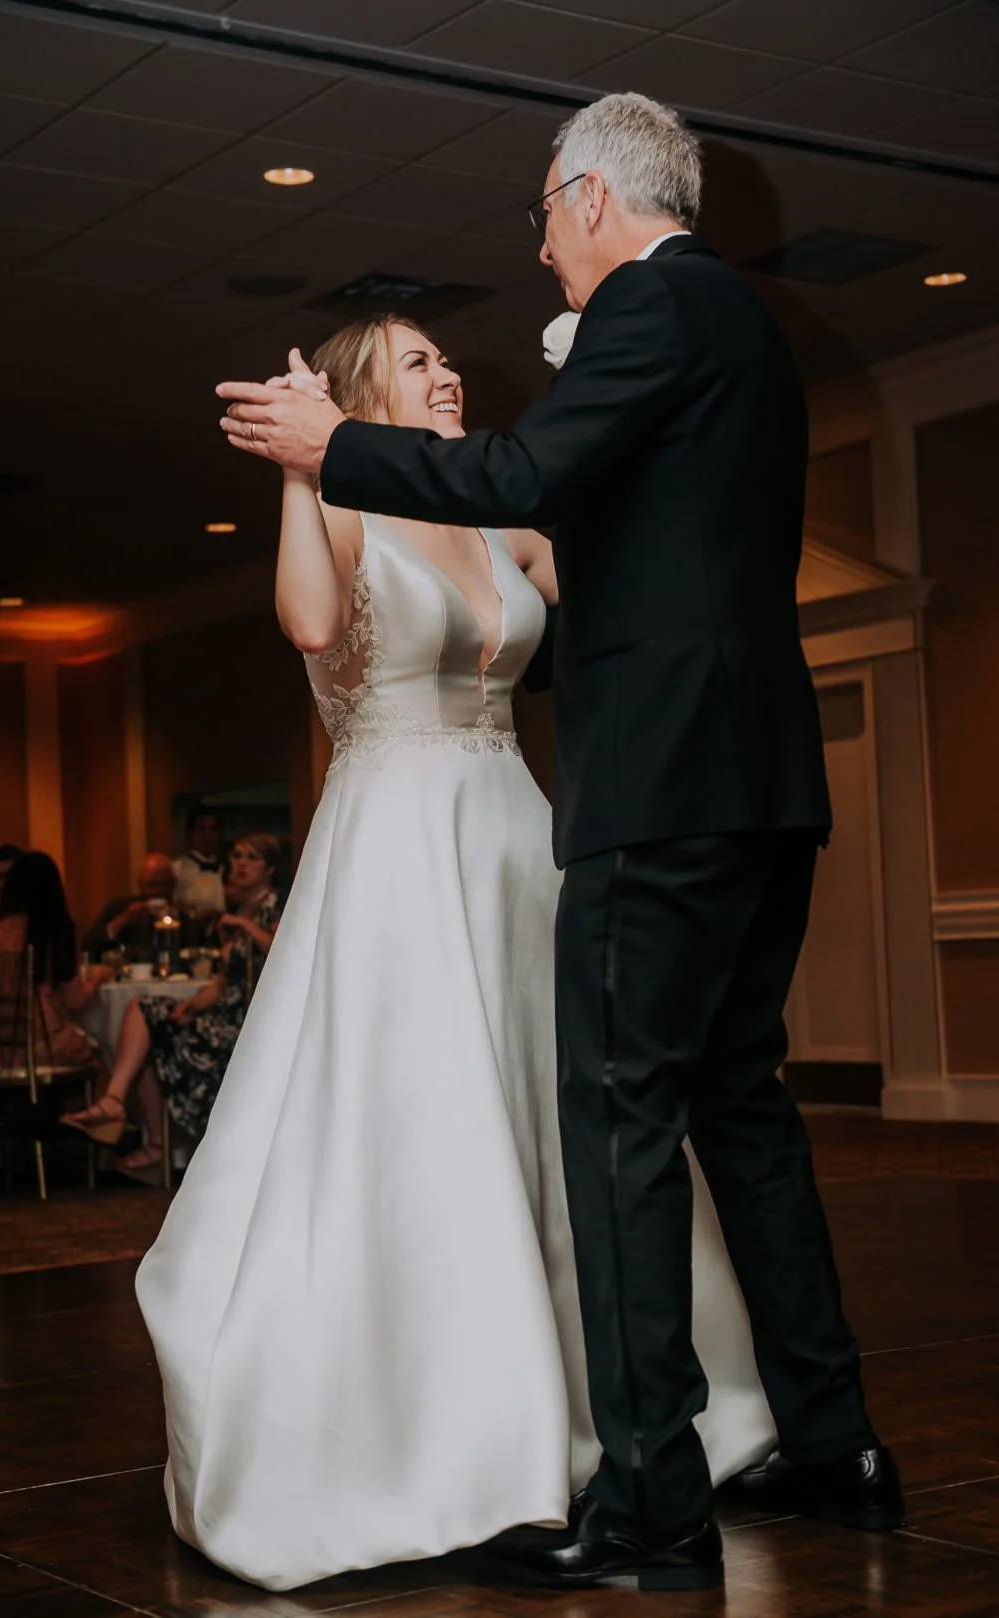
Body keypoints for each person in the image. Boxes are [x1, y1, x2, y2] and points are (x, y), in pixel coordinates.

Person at [214, 91, 903, 1591]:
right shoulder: (743, 329)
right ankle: (836, 1440)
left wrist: (336, 444)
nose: (539, 252)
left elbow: (524, 486)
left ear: (596, 198)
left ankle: (652, 1492)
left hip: (660, 793)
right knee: (743, 1112)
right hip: (761, 783)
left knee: (619, 1130)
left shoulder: (656, 307)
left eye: (543, 216)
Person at [131, 299, 780, 1598]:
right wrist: (301, 471)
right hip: (397, 846)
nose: (448, 373)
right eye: (422, 361)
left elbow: (595, 594)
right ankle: (470, 1445)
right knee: (436, 1130)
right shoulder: (345, 500)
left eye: (445, 360)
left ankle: (651, 1414)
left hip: (517, 844)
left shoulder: (500, 510)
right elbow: (314, 630)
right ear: (365, 388)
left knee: (565, 1123)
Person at [64, 833, 281, 1173]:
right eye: (236, 855)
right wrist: (191, 1005)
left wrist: (243, 926)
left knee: (148, 1019)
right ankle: (121, 1109)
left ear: (269, 868)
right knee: (147, 1014)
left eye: (250, 858)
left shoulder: (276, 907)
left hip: (254, 1023)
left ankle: (125, 1115)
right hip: (224, 1012)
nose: (239, 864)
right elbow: (225, 981)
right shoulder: (240, 909)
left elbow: (284, 951)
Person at [0, 851, 110, 1068]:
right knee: (106, 1057)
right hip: (42, 1044)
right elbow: (74, 1001)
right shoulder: (55, 931)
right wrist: (96, 979)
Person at [81, 853, 200, 961]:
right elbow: (87, 945)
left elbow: (195, 951)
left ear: (173, 885)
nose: (156, 891)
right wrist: (123, 919)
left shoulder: (183, 918)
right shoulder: (119, 909)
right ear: (140, 885)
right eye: (150, 885)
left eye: (163, 884)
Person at [173, 805, 226, 918]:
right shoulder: (176, 869)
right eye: (201, 829)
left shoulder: (230, 866)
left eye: (213, 829)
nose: (208, 835)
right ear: (190, 834)